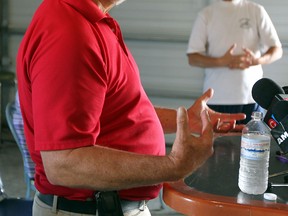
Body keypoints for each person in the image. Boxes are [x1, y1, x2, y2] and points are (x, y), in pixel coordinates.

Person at [16, 0, 246, 215]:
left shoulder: (93, 23)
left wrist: (188, 119)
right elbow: (64, 164)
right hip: (90, 208)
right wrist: (173, 165)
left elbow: (117, 112)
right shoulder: (69, 33)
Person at [187, 0, 283, 124]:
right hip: (216, 99)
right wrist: (222, 61)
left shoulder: (256, 10)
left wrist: (257, 60)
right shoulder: (206, 14)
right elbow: (193, 57)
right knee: (215, 143)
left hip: (251, 98)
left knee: (251, 142)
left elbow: (277, 50)